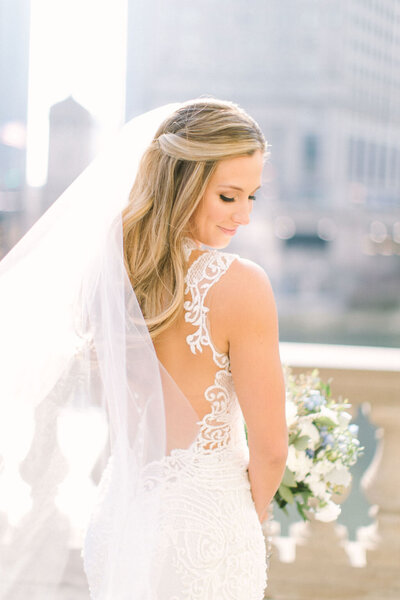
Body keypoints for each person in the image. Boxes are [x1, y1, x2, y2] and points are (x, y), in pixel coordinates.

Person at [0, 98, 287, 599]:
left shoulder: (111, 277)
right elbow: (271, 449)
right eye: (228, 197)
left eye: (252, 197)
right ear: (184, 185)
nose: (243, 215)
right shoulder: (242, 286)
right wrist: (237, 523)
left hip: (118, 521)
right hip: (206, 529)